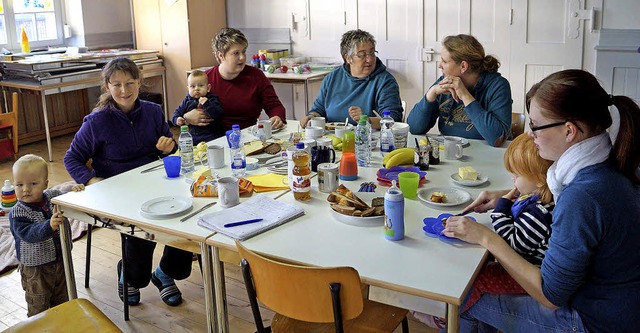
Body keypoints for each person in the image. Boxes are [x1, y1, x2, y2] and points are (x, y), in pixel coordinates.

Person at [443, 69, 640, 332]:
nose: (530, 135)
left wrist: (486, 238)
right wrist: (506, 195)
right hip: (620, 306)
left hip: (593, 321)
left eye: (535, 126)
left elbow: (550, 296)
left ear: (569, 130)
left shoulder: (582, 196)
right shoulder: (605, 164)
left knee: (462, 295)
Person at [64, 57, 192, 307]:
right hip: (119, 194)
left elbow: (169, 146)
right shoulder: (96, 121)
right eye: (117, 85)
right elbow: (72, 158)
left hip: (155, 184)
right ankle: (130, 275)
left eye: (130, 83)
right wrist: (91, 180)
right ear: (107, 87)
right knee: (139, 239)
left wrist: (168, 147)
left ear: (139, 82)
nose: (124, 91)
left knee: (187, 218)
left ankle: (165, 272)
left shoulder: (153, 111)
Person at [412, 134, 554, 329]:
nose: (512, 179)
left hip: (528, 278)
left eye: (517, 175)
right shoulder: (537, 198)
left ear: (540, 180)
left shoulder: (539, 211)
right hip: (528, 267)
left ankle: (446, 317)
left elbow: (514, 246)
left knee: (474, 280)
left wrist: (501, 210)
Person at [9, 154, 85, 316]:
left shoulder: (51, 197)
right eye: (19, 185)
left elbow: (66, 196)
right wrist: (48, 225)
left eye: (33, 184)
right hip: (36, 268)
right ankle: (40, 325)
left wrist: (75, 191)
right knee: (39, 303)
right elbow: (28, 234)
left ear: (45, 184)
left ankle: (62, 321)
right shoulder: (18, 212)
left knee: (63, 298)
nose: (25, 189)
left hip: (61, 259)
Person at [407, 34, 512, 147]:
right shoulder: (445, 82)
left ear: (463, 66)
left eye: (445, 61)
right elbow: (414, 128)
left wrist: (465, 96)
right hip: (451, 154)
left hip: (489, 156)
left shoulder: (498, 85)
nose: (440, 66)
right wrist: (430, 94)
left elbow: (497, 138)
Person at [181, 28, 286, 132]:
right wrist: (186, 117)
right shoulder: (204, 79)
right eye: (236, 53)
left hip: (248, 136)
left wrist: (277, 117)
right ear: (221, 55)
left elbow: (274, 105)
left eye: (243, 52)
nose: (242, 57)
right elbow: (184, 108)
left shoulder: (256, 76)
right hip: (213, 140)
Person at [300, 29, 403, 130]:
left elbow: (393, 120)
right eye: (362, 55)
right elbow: (319, 109)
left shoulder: (385, 81)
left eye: (372, 53)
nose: (369, 59)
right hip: (333, 139)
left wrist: (366, 120)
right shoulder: (332, 78)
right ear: (348, 58)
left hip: (371, 141)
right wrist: (311, 116)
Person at [172, 69, 224, 144]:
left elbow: (218, 113)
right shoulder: (187, 101)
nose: (196, 89)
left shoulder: (212, 99)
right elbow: (176, 113)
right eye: (192, 86)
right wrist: (178, 119)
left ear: (208, 88)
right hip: (194, 135)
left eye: (201, 85)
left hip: (212, 134)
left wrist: (207, 104)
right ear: (188, 88)